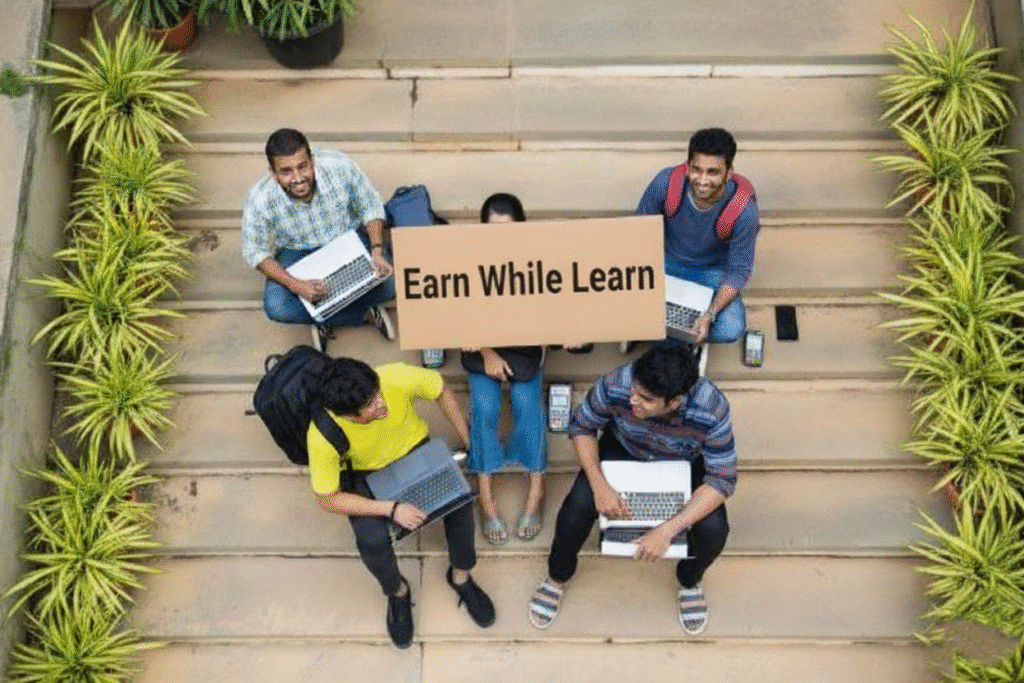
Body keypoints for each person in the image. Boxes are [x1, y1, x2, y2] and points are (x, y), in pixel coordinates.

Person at [528, 345, 735, 635]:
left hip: (682, 463)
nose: (632, 399)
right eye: (634, 390)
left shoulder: (711, 408)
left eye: (646, 399)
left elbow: (721, 479)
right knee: (576, 509)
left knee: (715, 530)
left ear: (674, 402)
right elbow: (582, 427)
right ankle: (557, 577)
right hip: (624, 449)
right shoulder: (618, 383)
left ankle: (689, 581)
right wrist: (600, 485)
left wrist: (668, 530)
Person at [308, 357, 495, 648]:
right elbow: (328, 499)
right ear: (347, 416)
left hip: (415, 451)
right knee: (370, 541)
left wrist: (468, 438)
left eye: (377, 394)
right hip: (369, 474)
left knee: (460, 504)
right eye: (369, 406)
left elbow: (440, 389)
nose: (380, 404)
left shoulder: (395, 375)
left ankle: (460, 576)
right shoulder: (322, 437)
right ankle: (398, 592)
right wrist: (391, 509)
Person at [242, 128, 396, 353]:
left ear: (312, 160)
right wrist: (297, 285)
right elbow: (254, 251)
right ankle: (359, 314)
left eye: (302, 166)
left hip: (346, 239)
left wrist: (377, 250)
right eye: (286, 171)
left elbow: (370, 207)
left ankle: (321, 313)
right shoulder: (260, 198)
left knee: (392, 284)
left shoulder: (340, 167)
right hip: (297, 251)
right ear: (273, 173)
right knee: (276, 307)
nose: (297, 178)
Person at [461, 193, 548, 544]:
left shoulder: (538, 260)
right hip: (482, 348)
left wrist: (565, 333)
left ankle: (536, 490)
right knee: (484, 408)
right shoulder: (468, 261)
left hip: (526, 349)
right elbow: (455, 310)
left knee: (528, 406)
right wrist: (486, 352)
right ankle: (485, 496)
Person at [628, 127, 760, 349]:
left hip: (711, 271)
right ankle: (673, 333)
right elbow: (639, 232)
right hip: (665, 260)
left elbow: (739, 272)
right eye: (697, 170)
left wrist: (709, 314)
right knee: (622, 303)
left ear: (729, 173)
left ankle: (659, 331)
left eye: (713, 172)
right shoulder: (666, 184)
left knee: (731, 328)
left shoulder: (743, 209)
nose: (702, 180)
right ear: (687, 167)